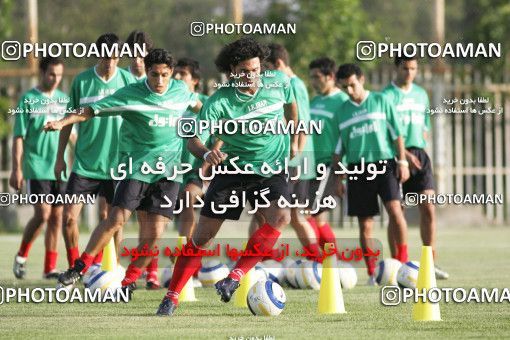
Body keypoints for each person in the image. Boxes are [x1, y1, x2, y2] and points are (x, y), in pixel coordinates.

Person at [157, 37, 298, 316]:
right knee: (203, 238)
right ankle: (171, 297)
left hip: (270, 168)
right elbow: (192, 140)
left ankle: (233, 278)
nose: (251, 76)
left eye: (255, 69)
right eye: (244, 71)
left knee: (281, 217)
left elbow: (291, 106)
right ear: (232, 71)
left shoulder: (278, 82)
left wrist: (295, 137)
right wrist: (207, 153)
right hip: (233, 171)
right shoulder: (220, 102)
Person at [45, 48, 202, 293]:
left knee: (155, 235)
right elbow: (90, 111)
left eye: (164, 75)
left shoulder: (181, 91)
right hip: (136, 168)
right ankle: (79, 267)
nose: (159, 81)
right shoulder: (130, 95)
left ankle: (128, 282)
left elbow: (200, 106)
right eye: (154, 75)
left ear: (171, 73)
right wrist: (61, 122)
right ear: (146, 72)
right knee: (117, 219)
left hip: (169, 173)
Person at [55, 33, 136, 271]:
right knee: (69, 217)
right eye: (105, 57)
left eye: (114, 57)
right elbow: (68, 120)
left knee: (113, 221)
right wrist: (59, 158)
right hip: (85, 164)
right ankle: (74, 270)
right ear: (97, 55)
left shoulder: (128, 81)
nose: (109, 62)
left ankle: (112, 269)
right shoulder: (81, 82)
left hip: (118, 163)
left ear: (120, 57)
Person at [333, 63, 410, 285]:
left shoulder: (381, 101)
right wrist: (338, 178)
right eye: (344, 87)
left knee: (396, 211)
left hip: (385, 165)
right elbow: (338, 150)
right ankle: (372, 273)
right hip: (357, 170)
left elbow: (397, 135)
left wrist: (402, 161)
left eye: (352, 85)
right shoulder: (342, 112)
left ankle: (402, 264)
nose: (349, 91)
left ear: (362, 80)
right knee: (366, 225)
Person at [248, 43, 322, 261]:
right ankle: (262, 259)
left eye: (267, 68)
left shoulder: (292, 84)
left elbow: (302, 123)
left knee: (276, 214)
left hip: (291, 161)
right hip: (287, 160)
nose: (264, 74)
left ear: (278, 64)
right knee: (273, 214)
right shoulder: (289, 83)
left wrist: (295, 155)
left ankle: (258, 261)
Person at [382, 56, 448, 279]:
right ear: (396, 68)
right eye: (405, 68)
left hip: (419, 155)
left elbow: (425, 126)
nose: (409, 72)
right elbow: (383, 132)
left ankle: (429, 263)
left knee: (428, 207)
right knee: (396, 212)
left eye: (413, 68)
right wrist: (404, 156)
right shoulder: (386, 96)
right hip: (395, 156)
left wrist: (417, 151)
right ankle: (397, 265)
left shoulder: (421, 94)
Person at [11, 57, 72, 279]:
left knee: (57, 217)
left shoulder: (65, 100)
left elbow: (71, 134)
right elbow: (19, 136)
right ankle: (21, 256)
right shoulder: (27, 99)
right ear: (42, 73)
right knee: (43, 214)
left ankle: (50, 267)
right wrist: (16, 169)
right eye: (51, 74)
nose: (56, 79)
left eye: (59, 75)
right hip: (36, 166)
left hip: (59, 167)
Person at [307, 57, 349, 250]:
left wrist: (342, 173)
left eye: (317, 77)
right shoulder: (314, 101)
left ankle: (325, 259)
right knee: (316, 217)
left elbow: (347, 138)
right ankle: (328, 262)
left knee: (309, 213)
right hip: (311, 166)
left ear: (330, 76)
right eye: (311, 78)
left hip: (331, 166)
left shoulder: (343, 101)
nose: (313, 82)